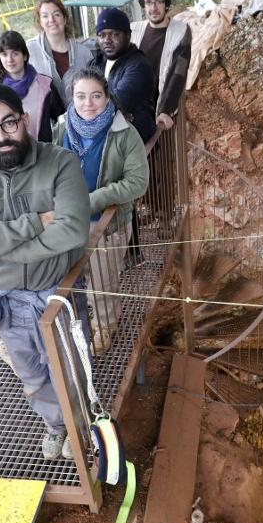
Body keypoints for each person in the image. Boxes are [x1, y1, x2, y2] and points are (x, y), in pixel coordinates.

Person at [0, 82, 91, 460]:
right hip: (6, 298)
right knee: (30, 371)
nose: (1, 136)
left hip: (55, 291)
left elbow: (73, 230)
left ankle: (80, 427)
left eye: (9, 123)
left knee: (68, 364)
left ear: (25, 120)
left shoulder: (61, 162)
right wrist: (37, 222)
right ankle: (55, 425)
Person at [53, 68, 149, 349]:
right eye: (81, 96)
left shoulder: (124, 133)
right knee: (74, 278)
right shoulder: (62, 128)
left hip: (107, 225)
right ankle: (79, 326)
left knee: (103, 282)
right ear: (72, 98)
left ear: (107, 98)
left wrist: (92, 200)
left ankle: (106, 326)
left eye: (96, 96)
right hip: (68, 222)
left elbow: (137, 182)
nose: (88, 103)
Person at [131, 0, 192, 131]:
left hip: (163, 110)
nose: (154, 7)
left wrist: (166, 110)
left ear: (166, 4)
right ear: (143, 6)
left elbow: (178, 73)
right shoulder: (134, 31)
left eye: (159, 2)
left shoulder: (181, 32)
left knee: (163, 152)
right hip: (136, 111)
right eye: (149, 2)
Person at [89, 7, 157, 143]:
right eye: (102, 35)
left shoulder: (139, 65)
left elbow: (117, 102)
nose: (107, 40)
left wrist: (84, 107)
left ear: (128, 35)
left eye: (114, 34)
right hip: (108, 140)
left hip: (136, 144)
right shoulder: (96, 62)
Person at [0, 29, 62, 140]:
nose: (10, 59)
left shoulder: (45, 85)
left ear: (24, 56)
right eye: (4, 54)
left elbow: (61, 119)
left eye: (15, 53)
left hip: (41, 151)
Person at [26, 0, 92, 106]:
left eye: (56, 14)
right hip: (46, 119)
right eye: (45, 16)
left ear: (64, 19)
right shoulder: (29, 50)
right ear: (40, 22)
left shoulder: (84, 53)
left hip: (80, 118)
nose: (51, 20)